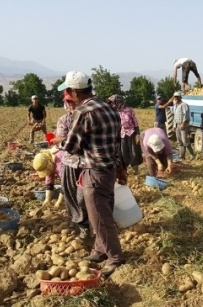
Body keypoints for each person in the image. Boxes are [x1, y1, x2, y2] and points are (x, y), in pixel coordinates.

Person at [54, 71, 125, 277]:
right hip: (109, 169)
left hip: (94, 171)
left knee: (99, 217)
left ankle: (115, 257)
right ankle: (99, 250)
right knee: (103, 212)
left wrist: (58, 141)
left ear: (73, 92)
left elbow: (71, 146)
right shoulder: (108, 107)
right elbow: (116, 142)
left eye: (67, 91)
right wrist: (121, 168)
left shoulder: (83, 112)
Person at [52, 91, 89, 238]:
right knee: (71, 195)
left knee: (85, 195)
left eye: (73, 101)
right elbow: (60, 138)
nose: (72, 104)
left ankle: (91, 221)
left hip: (88, 162)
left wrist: (67, 140)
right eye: (69, 102)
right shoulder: (64, 120)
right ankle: (81, 224)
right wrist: (69, 140)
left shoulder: (87, 116)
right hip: (70, 163)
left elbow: (64, 141)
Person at [107, 94, 143, 175]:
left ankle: (135, 170)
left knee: (134, 152)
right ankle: (124, 170)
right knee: (123, 153)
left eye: (113, 103)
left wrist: (137, 134)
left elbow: (135, 123)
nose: (112, 105)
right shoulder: (114, 112)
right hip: (121, 135)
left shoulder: (129, 110)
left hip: (131, 133)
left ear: (118, 102)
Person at [169, 91, 195, 160]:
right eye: (175, 97)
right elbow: (175, 116)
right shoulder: (175, 106)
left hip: (183, 125)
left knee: (185, 141)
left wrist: (183, 124)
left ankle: (192, 154)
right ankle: (182, 156)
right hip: (177, 125)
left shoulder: (184, 105)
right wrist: (174, 126)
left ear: (180, 97)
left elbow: (186, 115)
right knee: (180, 142)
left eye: (177, 97)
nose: (176, 98)